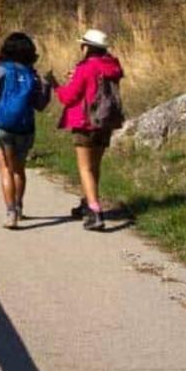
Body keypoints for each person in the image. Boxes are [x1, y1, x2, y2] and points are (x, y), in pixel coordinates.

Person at [54, 28, 124, 231]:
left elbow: (69, 97)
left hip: (85, 122)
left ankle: (95, 211)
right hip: (106, 121)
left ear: (86, 47)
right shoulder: (112, 66)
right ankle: (88, 202)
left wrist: (57, 87)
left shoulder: (85, 68)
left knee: (84, 168)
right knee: (95, 166)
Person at [0, 32, 53, 229]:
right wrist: (47, 87)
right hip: (26, 126)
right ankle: (20, 208)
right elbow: (39, 105)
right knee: (19, 170)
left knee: (5, 169)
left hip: (3, 125)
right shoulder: (33, 74)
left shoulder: (0, 71)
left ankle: (10, 212)